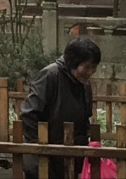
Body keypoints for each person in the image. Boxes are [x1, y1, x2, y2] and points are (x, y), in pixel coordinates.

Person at [20, 36, 101, 179]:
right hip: (45, 156)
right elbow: (29, 114)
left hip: (69, 156)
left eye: (93, 67)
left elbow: (84, 118)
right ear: (73, 63)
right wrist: (39, 148)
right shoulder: (50, 75)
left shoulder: (84, 84)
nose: (90, 72)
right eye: (87, 67)